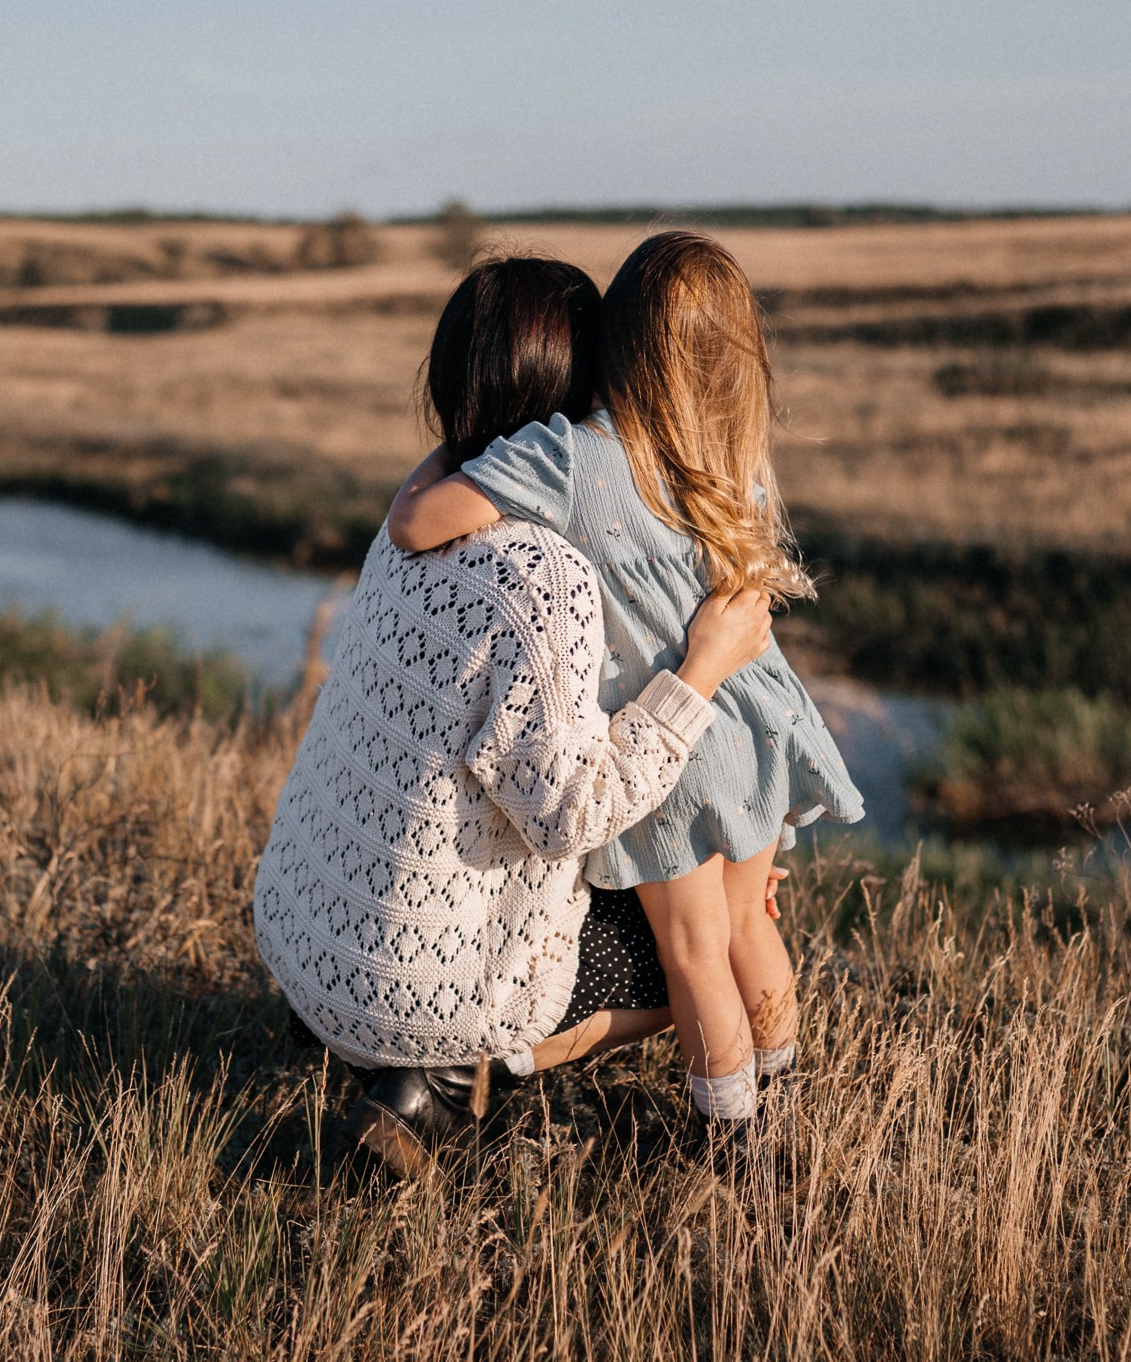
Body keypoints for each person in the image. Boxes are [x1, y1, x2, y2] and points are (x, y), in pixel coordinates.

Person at [253, 253, 773, 1174]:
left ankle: (394, 1050)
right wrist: (698, 673)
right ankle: (448, 1076)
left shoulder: (405, 522)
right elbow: (572, 813)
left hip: (303, 940)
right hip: (409, 984)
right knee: (695, 940)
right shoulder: (546, 578)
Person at [387, 230, 862, 1135]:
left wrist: (448, 454)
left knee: (693, 956)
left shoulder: (570, 455)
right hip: (760, 723)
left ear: (618, 342)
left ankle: (733, 1136)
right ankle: (785, 1101)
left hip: (676, 745)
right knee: (752, 927)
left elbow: (417, 524)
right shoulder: (733, 468)